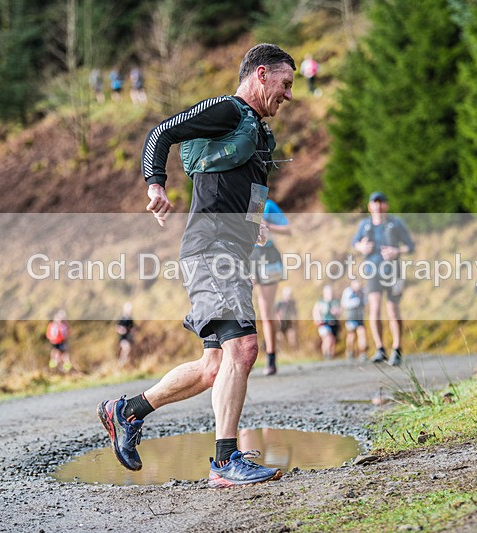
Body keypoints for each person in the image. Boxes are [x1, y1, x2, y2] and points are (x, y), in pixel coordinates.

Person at [97, 44, 296, 489]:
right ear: (260, 75)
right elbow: (160, 133)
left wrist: (254, 224)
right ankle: (225, 463)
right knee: (243, 349)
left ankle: (126, 411)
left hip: (232, 251)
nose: (288, 95)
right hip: (211, 248)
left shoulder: (259, 134)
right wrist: (155, 186)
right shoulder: (228, 110)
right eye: (284, 85)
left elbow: (253, 191)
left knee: (213, 366)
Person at [351, 191, 415, 367]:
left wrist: (396, 251)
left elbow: (410, 246)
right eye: (375, 203)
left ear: (386, 205)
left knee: (393, 309)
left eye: (381, 202)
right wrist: (361, 247)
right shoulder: (364, 225)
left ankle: (397, 348)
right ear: (370, 206)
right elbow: (355, 243)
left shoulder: (395, 224)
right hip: (372, 271)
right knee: (375, 308)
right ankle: (380, 348)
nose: (378, 206)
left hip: (393, 271)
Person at [250, 198, 291, 376]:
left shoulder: (267, 205)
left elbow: (288, 229)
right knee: (241, 308)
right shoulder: (237, 201)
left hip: (269, 256)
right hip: (247, 256)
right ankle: (241, 356)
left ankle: (271, 358)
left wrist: (267, 224)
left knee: (267, 311)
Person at [341, 279, 368, 360]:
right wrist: (355, 302)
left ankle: (362, 353)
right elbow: (344, 304)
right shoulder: (348, 292)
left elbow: (365, 302)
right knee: (351, 335)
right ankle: (349, 352)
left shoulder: (362, 292)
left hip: (360, 317)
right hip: (351, 317)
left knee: (362, 333)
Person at [312, 285, 341, 360]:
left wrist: (337, 312)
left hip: (333, 323)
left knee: (332, 340)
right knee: (327, 338)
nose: (330, 294)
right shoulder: (320, 302)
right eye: (328, 293)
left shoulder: (335, 302)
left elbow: (340, 312)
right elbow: (315, 311)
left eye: (331, 292)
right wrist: (317, 319)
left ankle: (330, 355)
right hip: (324, 324)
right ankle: (326, 354)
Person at [115, 302, 136, 367]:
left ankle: (126, 365)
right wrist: (122, 330)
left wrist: (133, 332)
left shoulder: (130, 319)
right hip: (123, 338)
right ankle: (121, 363)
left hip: (129, 338)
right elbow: (117, 327)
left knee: (129, 351)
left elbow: (133, 328)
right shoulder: (122, 318)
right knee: (126, 348)